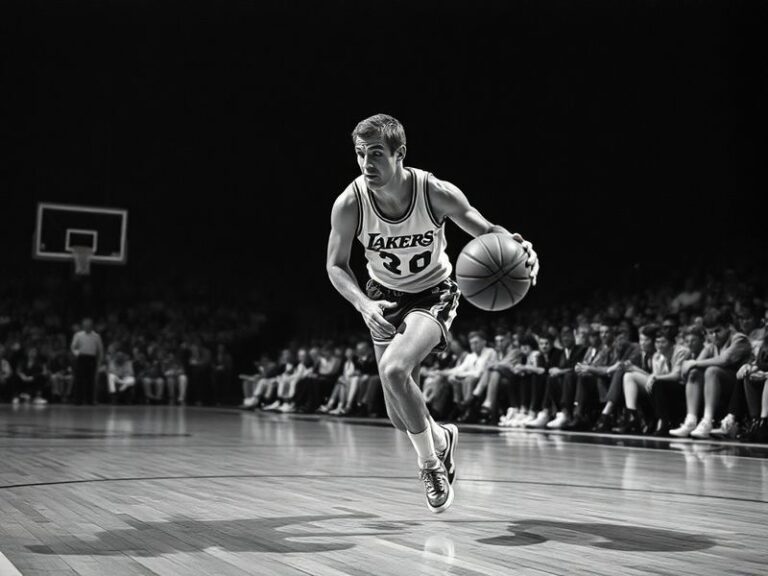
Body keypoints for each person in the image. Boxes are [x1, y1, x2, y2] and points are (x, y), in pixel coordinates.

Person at [326, 114, 539, 513]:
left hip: (433, 293)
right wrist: (363, 304)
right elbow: (335, 265)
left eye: (376, 153)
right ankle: (441, 438)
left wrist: (518, 247)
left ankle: (430, 465)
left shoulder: (434, 192)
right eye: (360, 153)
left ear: (400, 153)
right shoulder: (350, 203)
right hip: (382, 298)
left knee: (393, 370)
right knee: (399, 416)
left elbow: (487, 231)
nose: (367, 163)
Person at [70, 318, 104, 405]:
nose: (87, 327)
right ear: (83, 326)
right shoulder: (78, 335)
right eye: (85, 325)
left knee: (90, 380)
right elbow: (73, 347)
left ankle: (90, 400)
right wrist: (78, 354)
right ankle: (78, 400)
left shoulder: (96, 336)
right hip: (81, 358)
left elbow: (100, 349)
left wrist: (99, 360)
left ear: (91, 326)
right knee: (79, 379)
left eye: (89, 325)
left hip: (91, 358)